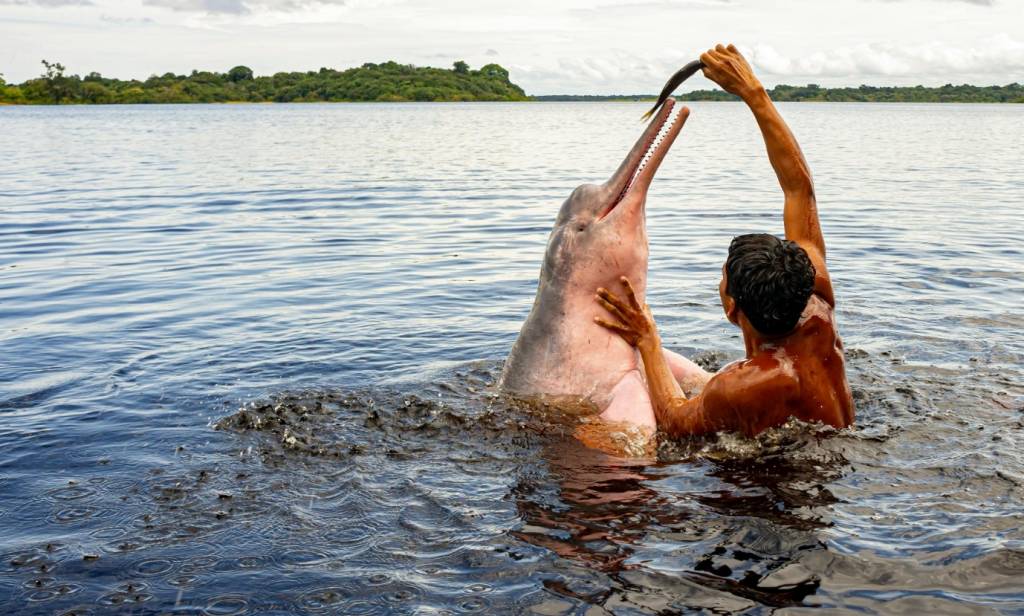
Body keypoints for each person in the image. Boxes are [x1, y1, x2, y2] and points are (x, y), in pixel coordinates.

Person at [593, 44, 853, 437]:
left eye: (722, 279)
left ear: (732, 307)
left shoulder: (741, 386)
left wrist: (648, 339)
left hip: (778, 492)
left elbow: (676, 420)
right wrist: (753, 92)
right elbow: (799, 190)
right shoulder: (817, 305)